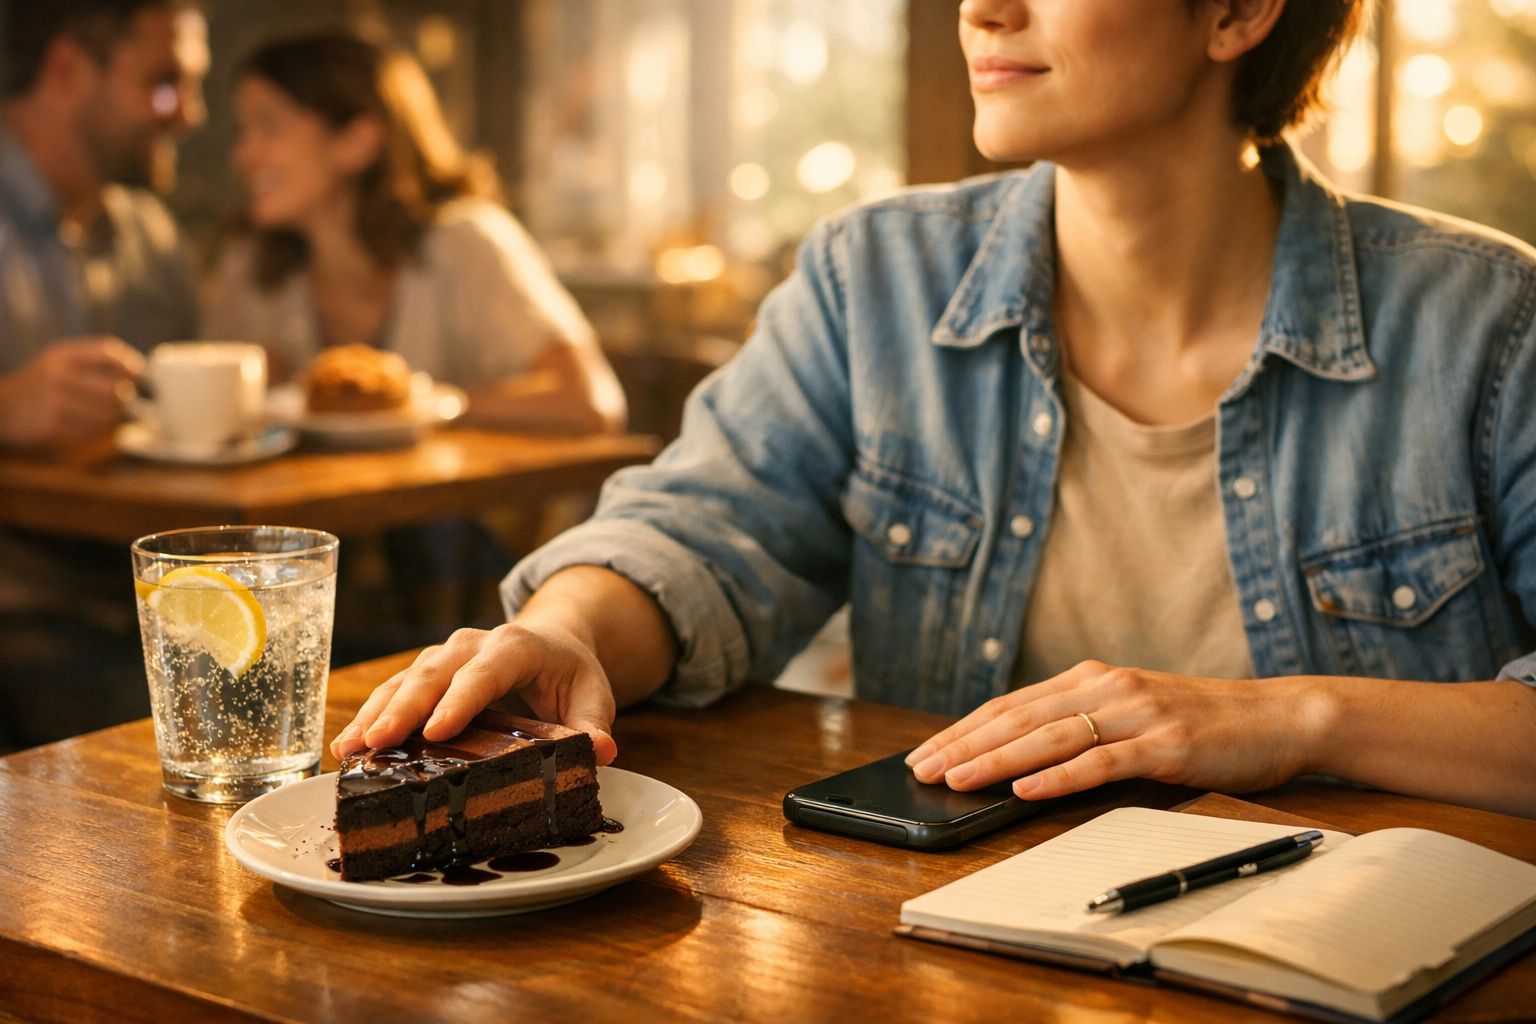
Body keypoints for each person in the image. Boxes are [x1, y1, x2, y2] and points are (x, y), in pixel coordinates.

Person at [335, 0, 1536, 818]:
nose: (982, 6)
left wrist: (1293, 719)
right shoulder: (879, 280)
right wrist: (570, 630)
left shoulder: (1485, 323)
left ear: (1237, 10)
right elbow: (700, 529)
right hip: (962, 954)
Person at [207, 32, 625, 434]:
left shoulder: (464, 243)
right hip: (306, 505)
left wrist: (416, 405)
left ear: (358, 140)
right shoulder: (252, 264)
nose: (242, 156)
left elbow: (590, 403)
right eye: (242, 131)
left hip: (454, 502)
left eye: (269, 126)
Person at [0, 0, 207, 752]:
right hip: (25, 608)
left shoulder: (152, 239)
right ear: (66, 70)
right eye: (164, 84)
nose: (189, 114)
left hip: (147, 597)